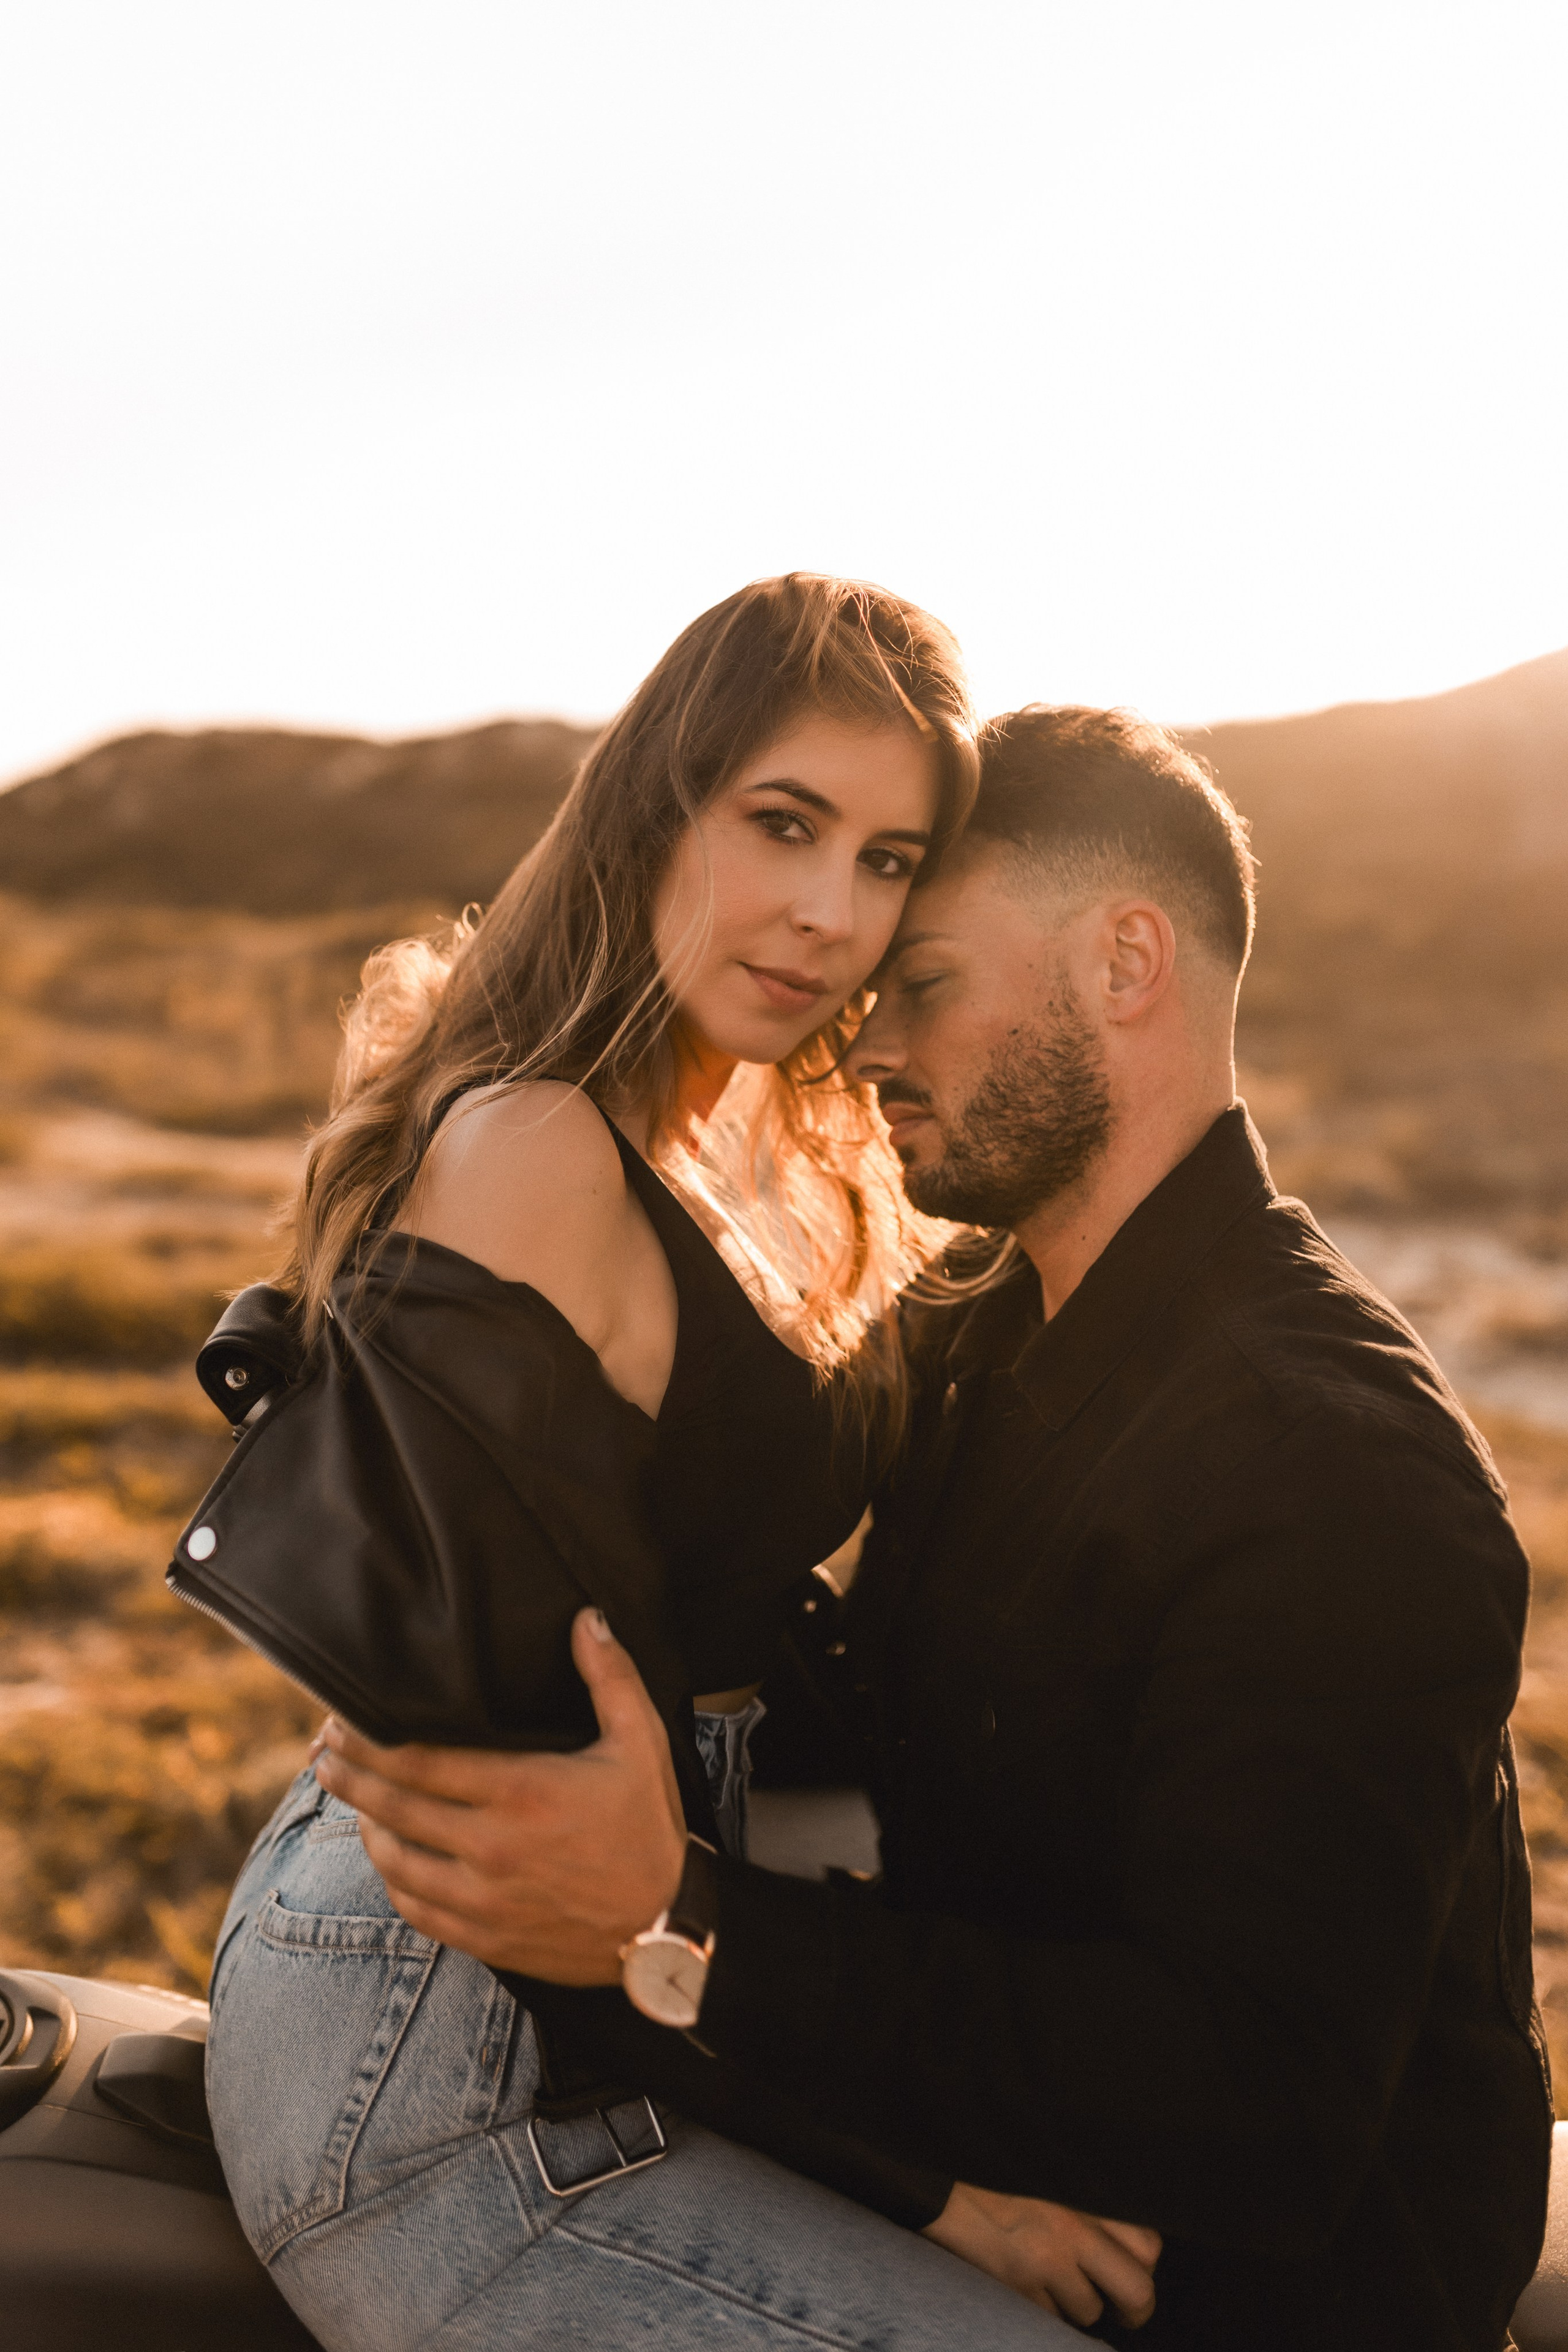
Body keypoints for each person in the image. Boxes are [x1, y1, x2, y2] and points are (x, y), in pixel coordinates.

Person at [320, 704, 1553, 2351]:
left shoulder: (1339, 1474)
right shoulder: (981, 1325)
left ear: (1128, 963)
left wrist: (687, 1930)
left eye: (926, 984)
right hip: (977, 2176)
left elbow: (1256, 2111)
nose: (864, 1043)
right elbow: (886, 1784)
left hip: (1253, 2301)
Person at [206, 582, 1149, 2352]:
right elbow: (512, 1824)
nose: (827, 911)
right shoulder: (537, 1156)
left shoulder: (790, 1140)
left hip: (648, 1965)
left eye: (886, 861)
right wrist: (940, 2194)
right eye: (782, 824)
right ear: (660, 806)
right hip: (433, 2057)